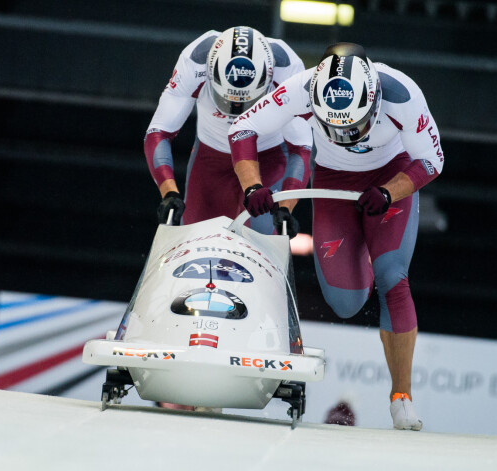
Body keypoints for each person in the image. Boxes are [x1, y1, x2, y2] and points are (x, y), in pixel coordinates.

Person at [228, 42, 445, 431]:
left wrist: (389, 192)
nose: (345, 134)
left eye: (354, 125)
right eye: (334, 126)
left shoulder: (403, 95)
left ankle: (402, 398)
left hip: (390, 175)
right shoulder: (301, 87)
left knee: (392, 277)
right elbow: (242, 127)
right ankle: (363, 249)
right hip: (332, 181)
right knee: (345, 303)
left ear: (374, 102)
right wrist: (251, 186)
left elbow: (431, 160)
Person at [144, 26, 312, 236]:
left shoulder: (287, 70)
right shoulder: (195, 61)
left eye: (247, 103)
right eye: (228, 101)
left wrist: (286, 206)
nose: (238, 115)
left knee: (262, 238)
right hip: (211, 158)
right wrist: (169, 192)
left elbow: (302, 147)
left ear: (267, 81)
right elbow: (159, 131)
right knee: (196, 240)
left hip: (268, 159)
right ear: (211, 74)